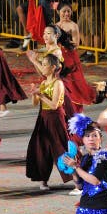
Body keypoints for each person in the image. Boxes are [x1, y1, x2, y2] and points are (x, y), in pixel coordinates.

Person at [26, 54, 71, 191]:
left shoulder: (58, 83)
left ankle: (76, 180)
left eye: (45, 65)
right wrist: (34, 93)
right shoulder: (44, 83)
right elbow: (35, 104)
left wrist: (41, 95)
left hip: (56, 118)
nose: (43, 67)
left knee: (61, 147)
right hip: (43, 117)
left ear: (52, 67)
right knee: (41, 148)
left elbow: (54, 105)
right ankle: (43, 179)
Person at [57, 4, 97, 112]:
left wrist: (65, 42)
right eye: (64, 11)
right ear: (58, 12)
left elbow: (76, 44)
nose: (66, 14)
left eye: (68, 11)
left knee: (73, 81)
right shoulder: (54, 26)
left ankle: (75, 103)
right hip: (58, 57)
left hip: (70, 56)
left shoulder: (73, 25)